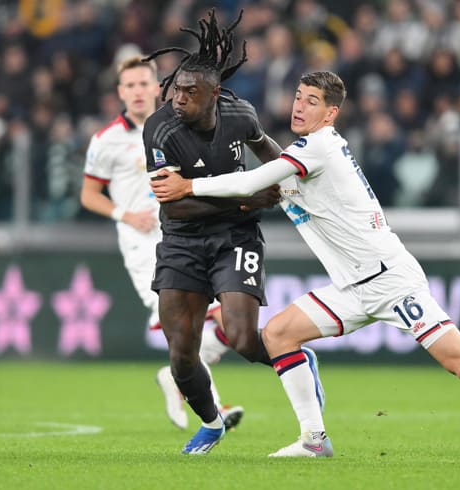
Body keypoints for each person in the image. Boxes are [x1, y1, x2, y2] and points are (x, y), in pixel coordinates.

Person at [150, 71, 460, 461]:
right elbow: (265, 181)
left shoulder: (318, 148)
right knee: (280, 335)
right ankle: (313, 440)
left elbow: (251, 179)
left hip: (389, 280)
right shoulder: (303, 154)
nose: (300, 107)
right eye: (297, 98)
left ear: (331, 114)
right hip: (350, 286)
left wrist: (189, 183)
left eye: (312, 102)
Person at [142, 10, 325, 455]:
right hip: (183, 241)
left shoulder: (240, 114)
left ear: (214, 94)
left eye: (189, 92)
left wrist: (283, 183)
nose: (178, 99)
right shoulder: (159, 128)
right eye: (176, 90)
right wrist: (245, 197)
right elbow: (176, 204)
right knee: (181, 358)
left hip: (235, 238)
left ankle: (297, 359)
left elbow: (273, 155)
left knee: (244, 339)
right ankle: (212, 423)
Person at [79, 55, 244, 433]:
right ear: (121, 92)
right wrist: (125, 214)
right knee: (181, 327)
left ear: (158, 88)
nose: (137, 92)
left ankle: (176, 378)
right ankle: (214, 406)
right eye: (130, 86)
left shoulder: (179, 125)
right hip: (142, 245)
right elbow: (89, 195)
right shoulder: (106, 141)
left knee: (230, 322)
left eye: (143, 84)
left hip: (188, 234)